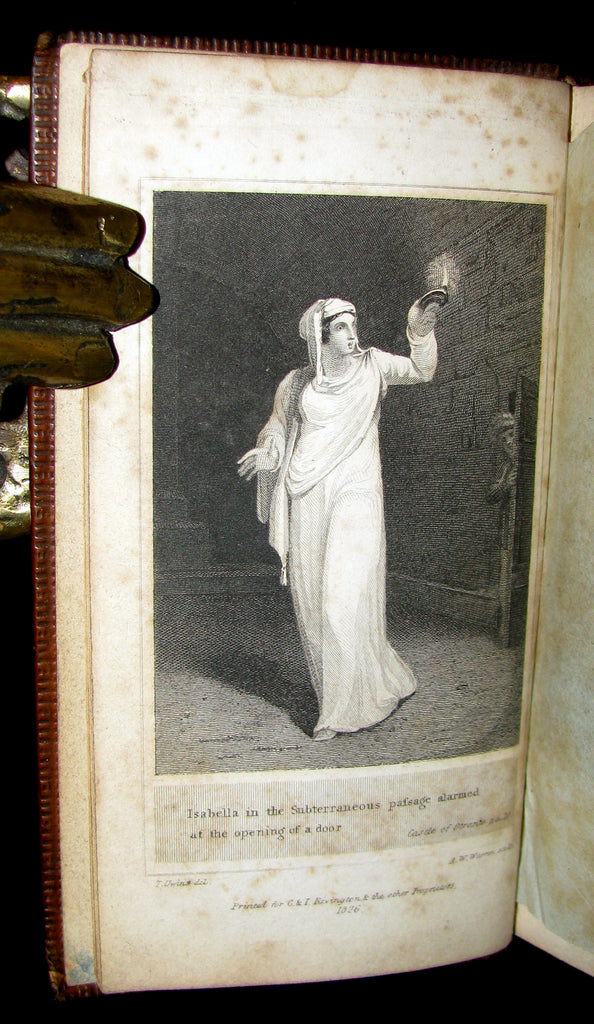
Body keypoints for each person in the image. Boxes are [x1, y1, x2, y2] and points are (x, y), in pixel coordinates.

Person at [238, 294, 441, 740]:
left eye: (354, 324)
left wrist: (420, 332)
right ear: (321, 337)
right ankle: (338, 700)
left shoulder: (374, 366)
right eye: (341, 327)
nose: (352, 334)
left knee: (342, 598)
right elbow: (277, 427)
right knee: (313, 603)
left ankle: (345, 710)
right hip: (307, 494)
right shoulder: (296, 384)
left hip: (357, 492)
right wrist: (269, 452)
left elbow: (421, 370)